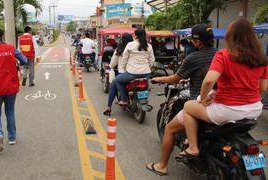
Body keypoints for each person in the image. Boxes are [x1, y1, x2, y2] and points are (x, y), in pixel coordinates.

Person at [180, 18, 268, 158]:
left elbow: (209, 81)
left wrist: (202, 99)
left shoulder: (224, 55)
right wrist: (248, 99)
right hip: (254, 109)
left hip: (228, 110)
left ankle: (193, 147)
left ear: (231, 36)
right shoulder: (261, 58)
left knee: (188, 106)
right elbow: (263, 87)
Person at [146, 24, 217, 176]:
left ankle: (162, 166)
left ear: (198, 41)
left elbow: (174, 78)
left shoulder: (193, 57)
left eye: (193, 39)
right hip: (220, 101)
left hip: (201, 102)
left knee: (170, 129)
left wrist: (160, 79)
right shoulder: (220, 55)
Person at [114, 29, 155, 105]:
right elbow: (152, 60)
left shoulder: (130, 44)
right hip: (146, 73)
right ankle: (144, 98)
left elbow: (124, 59)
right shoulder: (149, 46)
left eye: (133, 34)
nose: (132, 35)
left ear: (136, 36)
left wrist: (125, 68)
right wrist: (148, 67)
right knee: (145, 86)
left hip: (132, 73)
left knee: (117, 80)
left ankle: (124, 99)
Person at [103, 33, 133, 116]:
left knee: (114, 85)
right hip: (138, 73)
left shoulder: (119, 49)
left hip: (123, 73)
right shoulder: (135, 48)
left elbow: (113, 62)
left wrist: (109, 67)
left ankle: (109, 107)